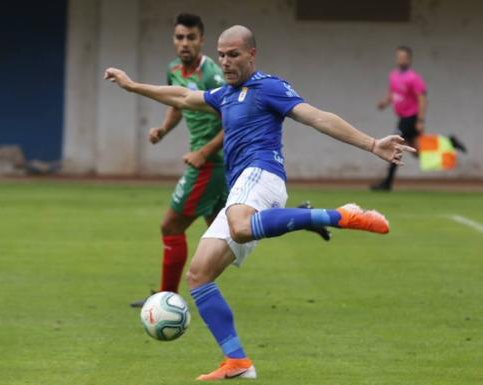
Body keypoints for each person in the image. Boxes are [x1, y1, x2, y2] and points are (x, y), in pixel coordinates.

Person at [105, 25, 415, 380]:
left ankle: (339, 215)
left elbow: (317, 117)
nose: (225, 61)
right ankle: (237, 361)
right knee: (199, 275)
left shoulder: (269, 87)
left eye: (233, 54)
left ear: (252, 54)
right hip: (242, 188)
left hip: (262, 174)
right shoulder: (224, 94)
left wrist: (372, 144)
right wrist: (133, 86)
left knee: (238, 227)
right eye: (221, 55)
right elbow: (183, 96)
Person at [129, 13, 228, 308]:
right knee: (224, 230)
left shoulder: (212, 75)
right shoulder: (174, 69)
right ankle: (297, 217)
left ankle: (166, 299)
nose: (184, 43)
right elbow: (177, 104)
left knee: (171, 226)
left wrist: (204, 152)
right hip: (212, 162)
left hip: (212, 163)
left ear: (201, 40)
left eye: (191, 38)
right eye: (179, 37)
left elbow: (233, 120)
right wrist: (162, 129)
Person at [372, 46, 466, 191]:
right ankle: (449, 142)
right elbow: (393, 93)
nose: (400, 59)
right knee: (418, 152)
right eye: (399, 57)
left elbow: (422, 99)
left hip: (410, 117)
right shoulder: (393, 75)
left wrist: (420, 120)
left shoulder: (413, 78)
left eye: (404, 57)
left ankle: (387, 183)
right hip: (402, 117)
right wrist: (384, 103)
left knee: (394, 145)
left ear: (409, 59)